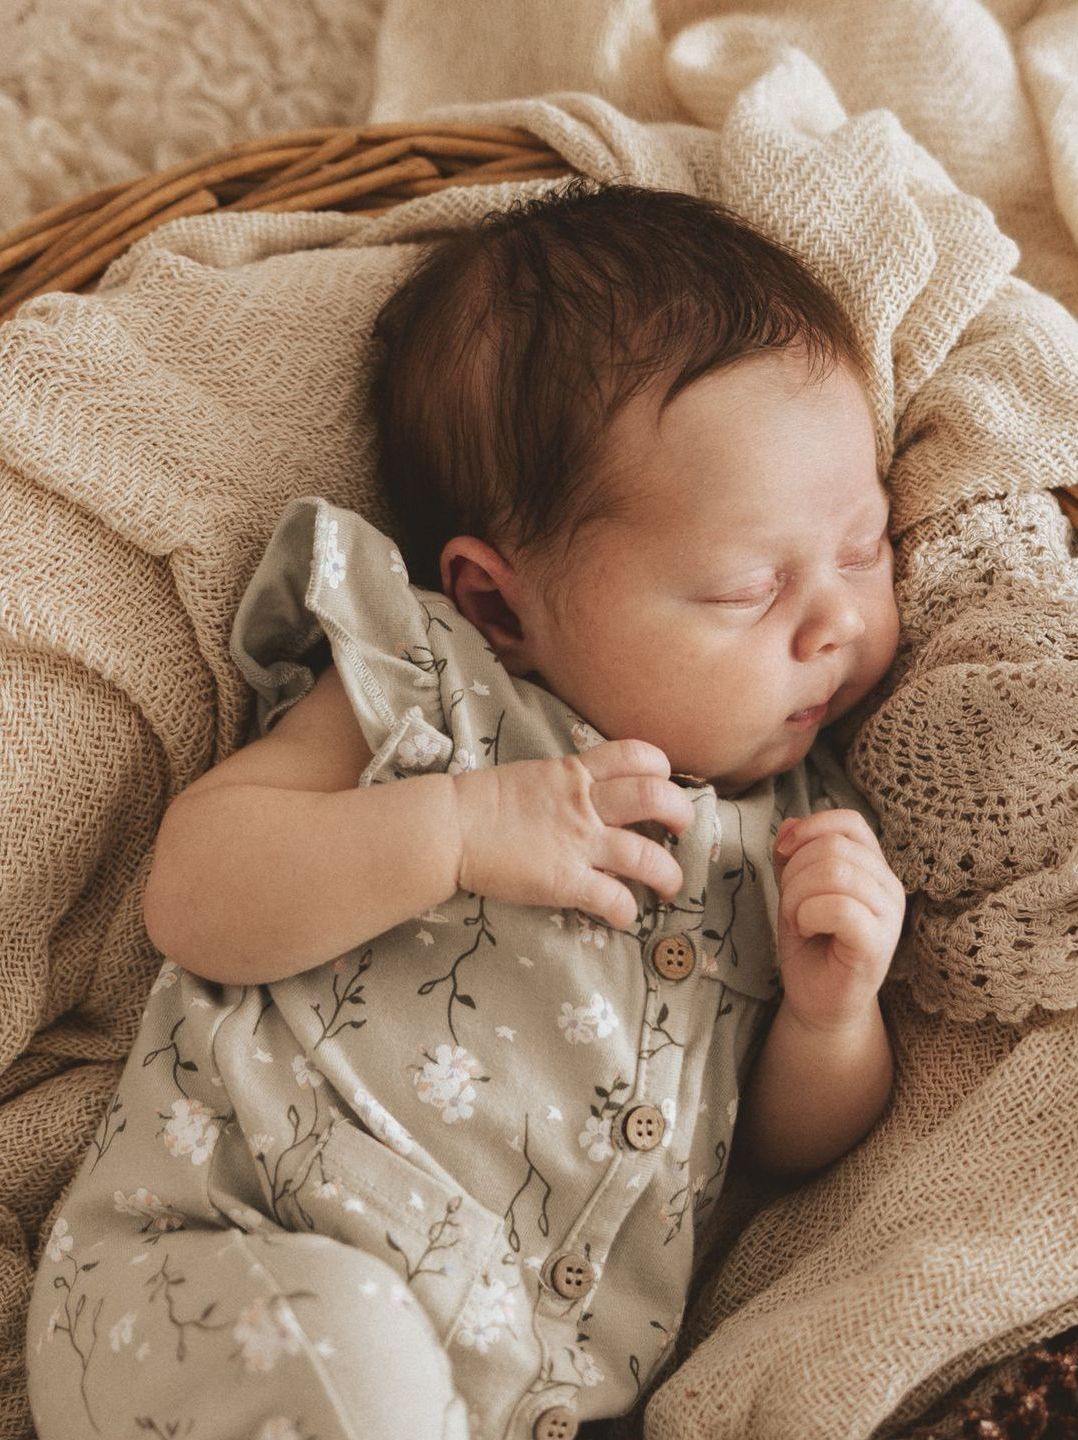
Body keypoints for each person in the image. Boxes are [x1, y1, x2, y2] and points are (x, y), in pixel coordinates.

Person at [27, 179, 907, 1440]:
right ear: (502, 604)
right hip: (227, 1280)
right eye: (746, 588)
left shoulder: (800, 828)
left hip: (514, 1402)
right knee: (356, 1365)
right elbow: (196, 892)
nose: (835, 622)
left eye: (865, 549)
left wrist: (832, 1018)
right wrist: (454, 831)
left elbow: (783, 1152)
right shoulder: (432, 690)